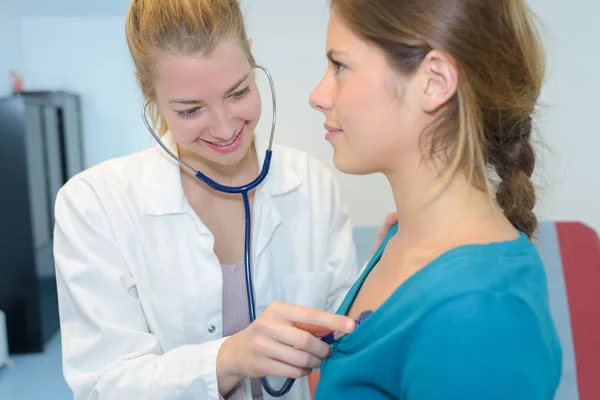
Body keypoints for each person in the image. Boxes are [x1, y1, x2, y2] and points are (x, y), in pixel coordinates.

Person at [52, 1, 395, 399]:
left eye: (238, 93)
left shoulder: (310, 183)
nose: (225, 127)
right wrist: (229, 358)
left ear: (251, 58)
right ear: (149, 92)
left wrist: (377, 280)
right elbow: (103, 386)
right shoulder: (95, 205)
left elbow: (335, 330)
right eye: (191, 109)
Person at [309, 0, 562, 399]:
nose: (318, 95)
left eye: (340, 66)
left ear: (434, 81)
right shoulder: (401, 239)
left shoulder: (479, 314)